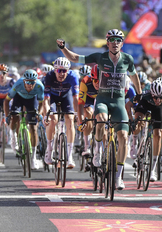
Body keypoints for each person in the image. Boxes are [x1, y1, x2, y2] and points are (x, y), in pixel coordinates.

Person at [56, 29, 142, 190]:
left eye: (119, 40)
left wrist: (139, 93)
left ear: (122, 43)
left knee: (123, 136)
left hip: (119, 102)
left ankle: (118, 177)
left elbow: (134, 76)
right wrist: (63, 48)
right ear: (107, 42)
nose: (115, 43)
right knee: (101, 120)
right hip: (102, 100)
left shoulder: (128, 59)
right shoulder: (100, 58)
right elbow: (75, 58)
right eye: (112, 40)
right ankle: (96, 151)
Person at [129, 80, 162, 181]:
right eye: (155, 97)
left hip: (158, 109)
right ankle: (135, 143)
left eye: (160, 97)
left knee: (158, 133)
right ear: (151, 94)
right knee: (138, 122)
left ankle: (152, 170)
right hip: (145, 103)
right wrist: (132, 121)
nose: (158, 100)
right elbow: (128, 105)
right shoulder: (145, 93)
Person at [43, 57, 79, 169]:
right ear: (54, 70)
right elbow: (46, 100)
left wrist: (77, 114)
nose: (61, 74)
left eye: (64, 71)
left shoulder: (73, 77)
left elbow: (76, 98)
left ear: (68, 71)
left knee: (70, 119)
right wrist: (46, 115)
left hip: (66, 97)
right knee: (52, 120)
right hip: (52, 98)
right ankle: (49, 150)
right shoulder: (49, 76)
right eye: (59, 70)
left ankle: (69, 156)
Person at [4, 69, 44, 170]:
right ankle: (13, 137)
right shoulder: (18, 84)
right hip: (19, 98)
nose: (30, 85)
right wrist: (7, 115)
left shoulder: (39, 86)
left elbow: (41, 103)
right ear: (24, 81)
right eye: (28, 82)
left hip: (32, 100)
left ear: (36, 81)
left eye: (32, 82)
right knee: (15, 116)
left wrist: (38, 113)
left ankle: (33, 157)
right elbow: (6, 100)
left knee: (33, 128)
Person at [0, 64, 15, 152]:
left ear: (7, 73)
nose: (1, 75)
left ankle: (9, 135)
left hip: (7, 101)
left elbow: (15, 95)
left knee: (10, 117)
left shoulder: (11, 81)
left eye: (3, 73)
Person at [78, 64, 99, 156]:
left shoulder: (106, 82)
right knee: (88, 113)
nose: (97, 82)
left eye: (99, 80)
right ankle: (87, 146)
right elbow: (80, 103)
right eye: (95, 80)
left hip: (102, 99)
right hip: (89, 99)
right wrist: (81, 121)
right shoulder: (85, 81)